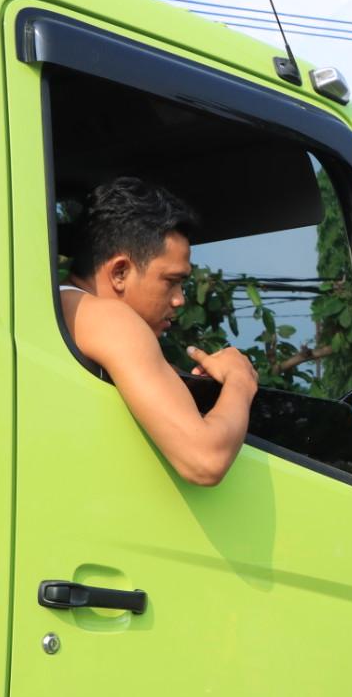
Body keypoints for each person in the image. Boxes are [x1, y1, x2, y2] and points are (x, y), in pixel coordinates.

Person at [61, 177, 258, 486]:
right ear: (120, 272)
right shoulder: (111, 319)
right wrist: (241, 381)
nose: (180, 299)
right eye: (170, 281)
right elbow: (205, 460)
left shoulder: (65, 307)